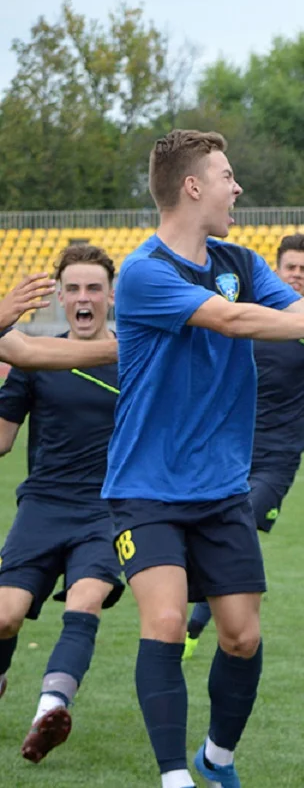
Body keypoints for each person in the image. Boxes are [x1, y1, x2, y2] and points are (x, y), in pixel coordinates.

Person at [103, 129, 304, 788]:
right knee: (167, 621)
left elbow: (300, 309)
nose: (238, 187)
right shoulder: (144, 273)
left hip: (222, 488)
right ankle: (174, 778)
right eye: (227, 175)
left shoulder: (243, 260)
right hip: (146, 485)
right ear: (193, 186)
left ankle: (217, 758)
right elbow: (232, 321)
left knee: (241, 637)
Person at [183, 232, 304, 659]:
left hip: (280, 454)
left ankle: (193, 627)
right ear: (277, 270)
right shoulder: (251, 314)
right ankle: (198, 615)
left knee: (239, 527)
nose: (297, 275)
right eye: (290, 268)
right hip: (229, 446)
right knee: (217, 532)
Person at [0, 245, 124, 765]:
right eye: (72, 288)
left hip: (107, 511)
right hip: (43, 506)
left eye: (93, 287)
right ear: (59, 296)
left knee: (85, 601)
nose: (83, 297)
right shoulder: (34, 358)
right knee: (5, 618)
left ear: (111, 296)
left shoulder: (134, 358)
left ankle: (48, 713)